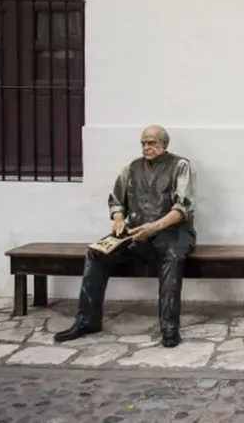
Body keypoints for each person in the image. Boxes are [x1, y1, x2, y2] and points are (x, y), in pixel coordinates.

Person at [54, 124, 198, 348]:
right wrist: (119, 218)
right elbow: (116, 200)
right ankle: (87, 320)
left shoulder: (180, 166)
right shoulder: (132, 168)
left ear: (164, 144)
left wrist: (154, 227)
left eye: (152, 143)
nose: (146, 147)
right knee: (96, 253)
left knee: (172, 257)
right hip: (135, 231)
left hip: (173, 231)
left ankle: (169, 326)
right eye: (143, 143)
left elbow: (183, 208)